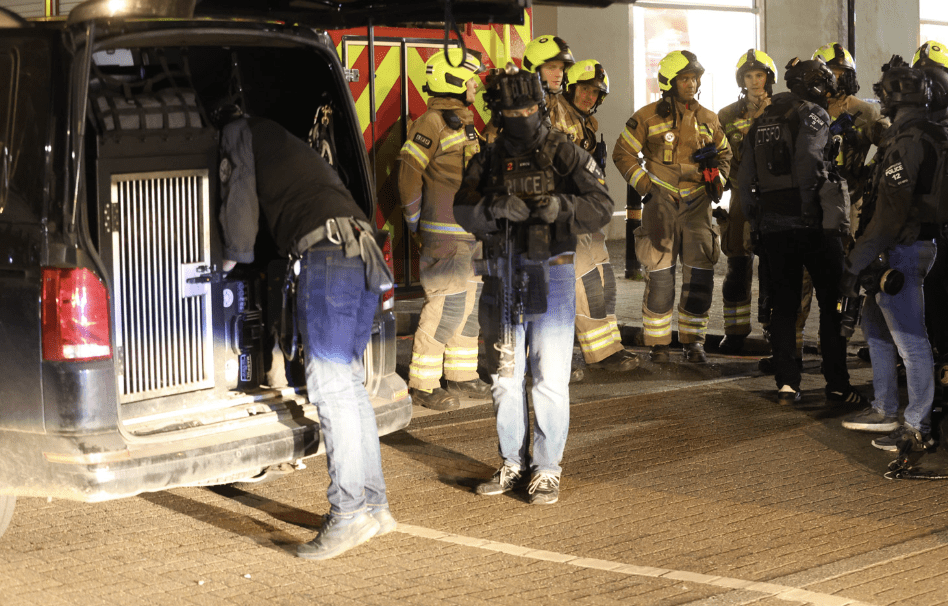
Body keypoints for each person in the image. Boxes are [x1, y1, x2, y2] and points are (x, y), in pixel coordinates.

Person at [218, 114, 394, 560]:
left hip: (328, 253)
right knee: (349, 384)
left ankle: (348, 514)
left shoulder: (241, 130)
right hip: (361, 248)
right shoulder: (287, 140)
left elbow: (241, 202)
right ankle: (374, 507)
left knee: (331, 386)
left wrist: (227, 263)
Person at [453, 65, 613, 505]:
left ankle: (546, 469)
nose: (521, 114)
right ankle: (511, 463)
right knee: (505, 376)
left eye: (527, 106)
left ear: (540, 105)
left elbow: (601, 205)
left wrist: (560, 206)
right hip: (502, 271)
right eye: (512, 108)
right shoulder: (485, 157)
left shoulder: (564, 151)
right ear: (500, 111)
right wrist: (494, 207)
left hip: (554, 270)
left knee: (549, 377)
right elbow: (462, 209)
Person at [738, 57, 865, 405]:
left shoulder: (762, 118)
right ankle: (838, 385)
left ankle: (787, 385)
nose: (827, 92)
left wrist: (757, 222)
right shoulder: (813, 113)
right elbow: (810, 162)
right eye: (823, 85)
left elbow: (744, 177)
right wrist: (818, 216)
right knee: (833, 303)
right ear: (811, 84)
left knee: (783, 306)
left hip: (773, 225)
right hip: (811, 224)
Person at [840, 59, 948, 452]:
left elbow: (890, 213)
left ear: (892, 95)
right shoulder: (925, 133)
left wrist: (855, 263)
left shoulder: (909, 140)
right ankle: (884, 407)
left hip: (902, 248)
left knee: (910, 340)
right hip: (909, 244)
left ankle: (916, 426)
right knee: (875, 327)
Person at [613, 50, 731, 364]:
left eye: (694, 78)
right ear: (669, 81)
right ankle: (659, 345)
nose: (691, 84)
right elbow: (623, 153)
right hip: (660, 204)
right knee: (661, 279)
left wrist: (712, 172)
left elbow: (725, 159)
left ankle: (694, 344)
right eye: (684, 79)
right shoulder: (647, 115)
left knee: (699, 279)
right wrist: (646, 187)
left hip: (698, 206)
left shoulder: (709, 118)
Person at [397, 48, 490, 411]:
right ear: (452, 81)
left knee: (469, 306)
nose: (476, 83)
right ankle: (422, 383)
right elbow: (408, 177)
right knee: (447, 306)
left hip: (469, 234)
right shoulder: (430, 123)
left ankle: (462, 375)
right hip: (445, 234)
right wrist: (415, 222)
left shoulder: (463, 122)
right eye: (470, 78)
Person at [557, 59, 639, 375]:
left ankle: (606, 346)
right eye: (585, 89)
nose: (590, 97)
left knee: (601, 277)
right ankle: (602, 352)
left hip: (586, 215)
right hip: (567, 216)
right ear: (570, 87)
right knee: (586, 280)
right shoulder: (555, 117)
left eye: (595, 92)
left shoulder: (585, 124)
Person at [716, 49, 777, 355]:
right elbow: (722, 157)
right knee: (737, 266)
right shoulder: (726, 116)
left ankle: (772, 329)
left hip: (773, 200)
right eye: (749, 76)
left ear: (770, 78)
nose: (755, 81)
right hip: (741, 200)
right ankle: (735, 331)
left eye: (760, 75)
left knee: (773, 268)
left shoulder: (783, 111)